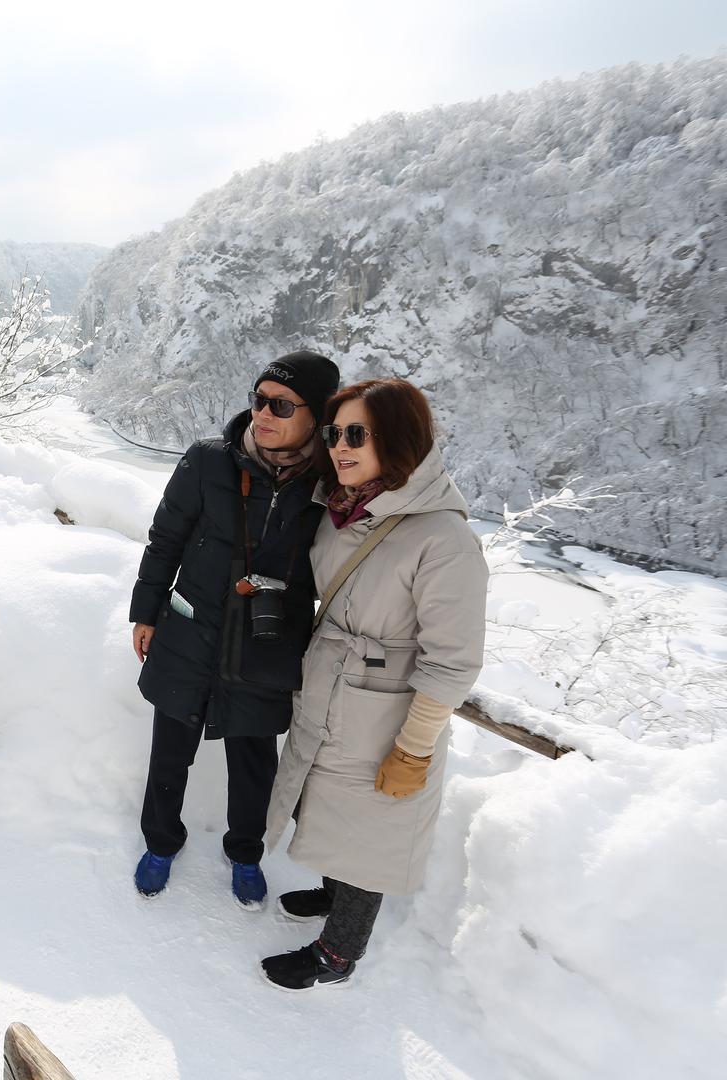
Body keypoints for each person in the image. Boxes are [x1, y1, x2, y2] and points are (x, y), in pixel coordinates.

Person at [260, 378, 488, 991]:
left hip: (388, 713)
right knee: (333, 801)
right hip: (336, 686)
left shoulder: (444, 539)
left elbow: (455, 659)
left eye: (356, 434)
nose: (339, 446)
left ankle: (339, 954)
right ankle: (334, 893)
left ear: (399, 439)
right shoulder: (344, 508)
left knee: (372, 830)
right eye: (334, 433)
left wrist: (414, 747)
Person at [129, 351, 340, 908]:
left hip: (267, 646)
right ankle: (160, 842)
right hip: (191, 632)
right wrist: (145, 611)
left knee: (254, 758)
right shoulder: (207, 462)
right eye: (257, 398)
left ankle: (245, 853)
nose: (262, 413)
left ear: (316, 419)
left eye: (281, 404)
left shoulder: (329, 484)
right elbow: (164, 541)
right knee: (170, 748)